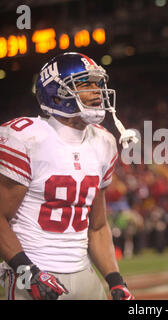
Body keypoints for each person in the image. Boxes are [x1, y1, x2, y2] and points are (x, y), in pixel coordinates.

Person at [0, 52, 138, 300]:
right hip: (36, 271)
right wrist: (26, 270)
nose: (97, 91)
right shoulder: (26, 138)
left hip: (83, 272)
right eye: (85, 84)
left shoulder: (104, 142)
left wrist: (115, 280)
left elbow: (97, 226)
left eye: (98, 83)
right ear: (56, 93)